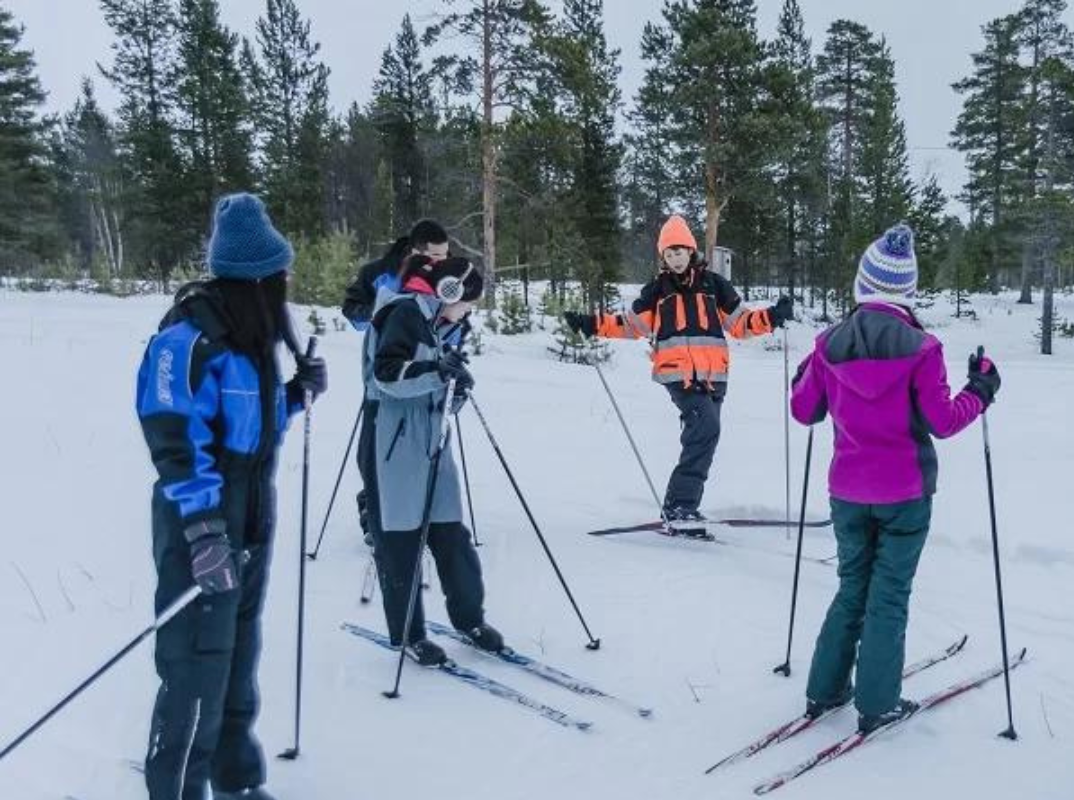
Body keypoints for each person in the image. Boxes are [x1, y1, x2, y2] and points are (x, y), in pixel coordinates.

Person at [135, 193, 328, 800]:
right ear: (253, 279)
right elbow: (173, 437)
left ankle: (232, 774)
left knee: (239, 652)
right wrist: (202, 529)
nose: (286, 289)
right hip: (203, 520)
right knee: (195, 662)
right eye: (279, 278)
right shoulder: (188, 336)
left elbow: (253, 430)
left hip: (251, 513)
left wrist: (299, 395)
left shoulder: (253, 342)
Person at [789, 224, 999, 733]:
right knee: (888, 595)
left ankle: (824, 690)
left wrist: (806, 370)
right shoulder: (922, 348)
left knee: (851, 587)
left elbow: (803, 411)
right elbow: (943, 422)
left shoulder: (829, 343)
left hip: (847, 492)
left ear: (863, 284)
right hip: (904, 494)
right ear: (907, 290)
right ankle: (877, 703)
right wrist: (982, 389)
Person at [563, 215, 792, 535]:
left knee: (705, 436)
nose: (674, 259)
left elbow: (740, 324)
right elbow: (630, 325)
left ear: (691, 250)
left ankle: (683, 505)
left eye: (679, 252)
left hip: (715, 376)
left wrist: (772, 316)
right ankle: (680, 507)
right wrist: (590, 323)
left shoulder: (714, 285)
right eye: (668, 254)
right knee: (706, 428)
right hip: (678, 375)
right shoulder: (657, 291)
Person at [363, 255, 507, 666]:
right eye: (467, 301)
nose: (468, 310)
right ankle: (409, 633)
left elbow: (433, 378)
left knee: (451, 535)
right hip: (395, 440)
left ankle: (470, 620)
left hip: (431, 436)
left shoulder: (438, 323)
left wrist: (454, 387)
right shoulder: (404, 313)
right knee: (402, 541)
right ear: (448, 290)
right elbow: (387, 375)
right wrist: (436, 370)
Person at [342, 219, 450, 547]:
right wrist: (384, 312)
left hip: (423, 376)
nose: (441, 262)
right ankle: (372, 510)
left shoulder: (444, 277)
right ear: (415, 250)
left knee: (423, 447)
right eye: (434, 255)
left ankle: (420, 512)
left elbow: (445, 321)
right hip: (383, 376)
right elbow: (352, 310)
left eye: (445, 254)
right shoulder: (380, 272)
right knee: (376, 451)